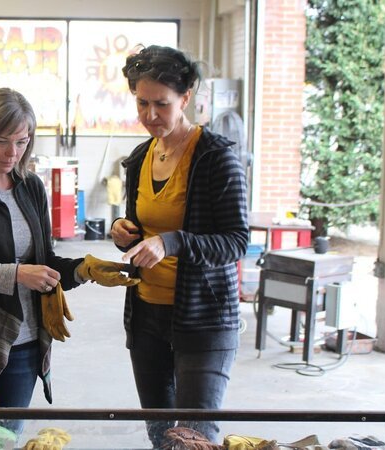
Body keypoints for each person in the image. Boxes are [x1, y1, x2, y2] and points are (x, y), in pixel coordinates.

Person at [0, 87, 138, 443]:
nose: (12, 153)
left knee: (6, 440)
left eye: (22, 142)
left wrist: (84, 269)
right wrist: (16, 273)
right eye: (2, 141)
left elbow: (43, 262)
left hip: (26, 342)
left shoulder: (30, 186)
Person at [110, 45, 248, 446]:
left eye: (162, 104)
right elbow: (138, 223)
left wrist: (172, 243)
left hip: (204, 321)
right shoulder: (140, 158)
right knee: (161, 434)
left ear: (186, 98)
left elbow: (237, 241)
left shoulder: (216, 158)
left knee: (193, 438)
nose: (150, 115)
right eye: (142, 103)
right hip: (147, 315)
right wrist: (122, 229)